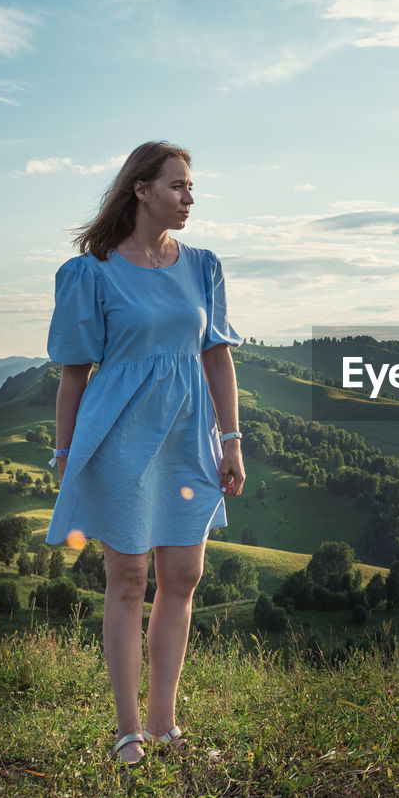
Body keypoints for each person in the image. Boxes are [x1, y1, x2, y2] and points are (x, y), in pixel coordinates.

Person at [45, 141, 245, 764]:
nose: (189, 198)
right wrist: (64, 452)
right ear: (141, 190)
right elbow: (74, 373)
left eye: (191, 188)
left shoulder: (203, 265)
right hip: (119, 436)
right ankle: (128, 731)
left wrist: (232, 440)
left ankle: (165, 724)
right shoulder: (92, 271)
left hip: (189, 436)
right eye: (177, 186)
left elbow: (217, 356)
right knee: (127, 579)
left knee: (182, 576)